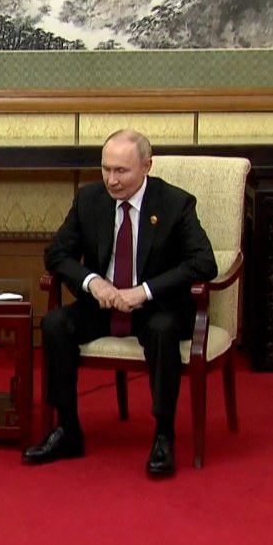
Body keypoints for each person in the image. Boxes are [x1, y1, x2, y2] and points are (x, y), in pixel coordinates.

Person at [26, 129, 217, 477]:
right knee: (55, 325)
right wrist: (92, 281)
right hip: (102, 304)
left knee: (162, 331)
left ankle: (163, 435)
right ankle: (67, 429)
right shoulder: (89, 200)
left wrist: (144, 291)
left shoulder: (175, 203)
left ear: (146, 166)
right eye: (106, 169)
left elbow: (204, 262)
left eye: (121, 171)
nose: (111, 180)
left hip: (156, 307)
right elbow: (56, 254)